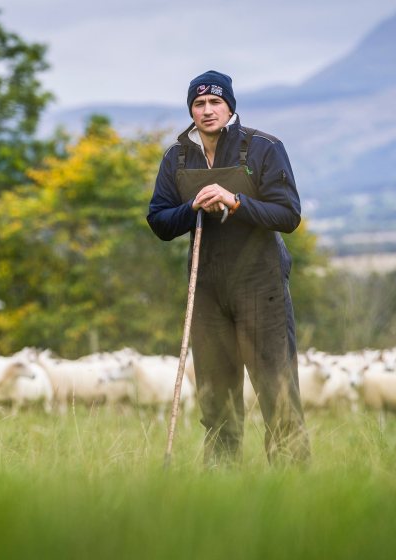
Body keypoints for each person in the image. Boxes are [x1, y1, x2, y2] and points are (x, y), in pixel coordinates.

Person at [147, 70, 310, 467]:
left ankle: (293, 488)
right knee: (215, 399)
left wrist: (236, 202)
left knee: (277, 393)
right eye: (199, 103)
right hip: (205, 290)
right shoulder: (177, 157)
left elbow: (289, 215)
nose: (207, 110)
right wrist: (192, 208)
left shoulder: (264, 149)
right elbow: (159, 221)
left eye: (215, 102)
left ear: (230, 107)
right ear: (190, 109)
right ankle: (221, 487)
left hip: (261, 286)